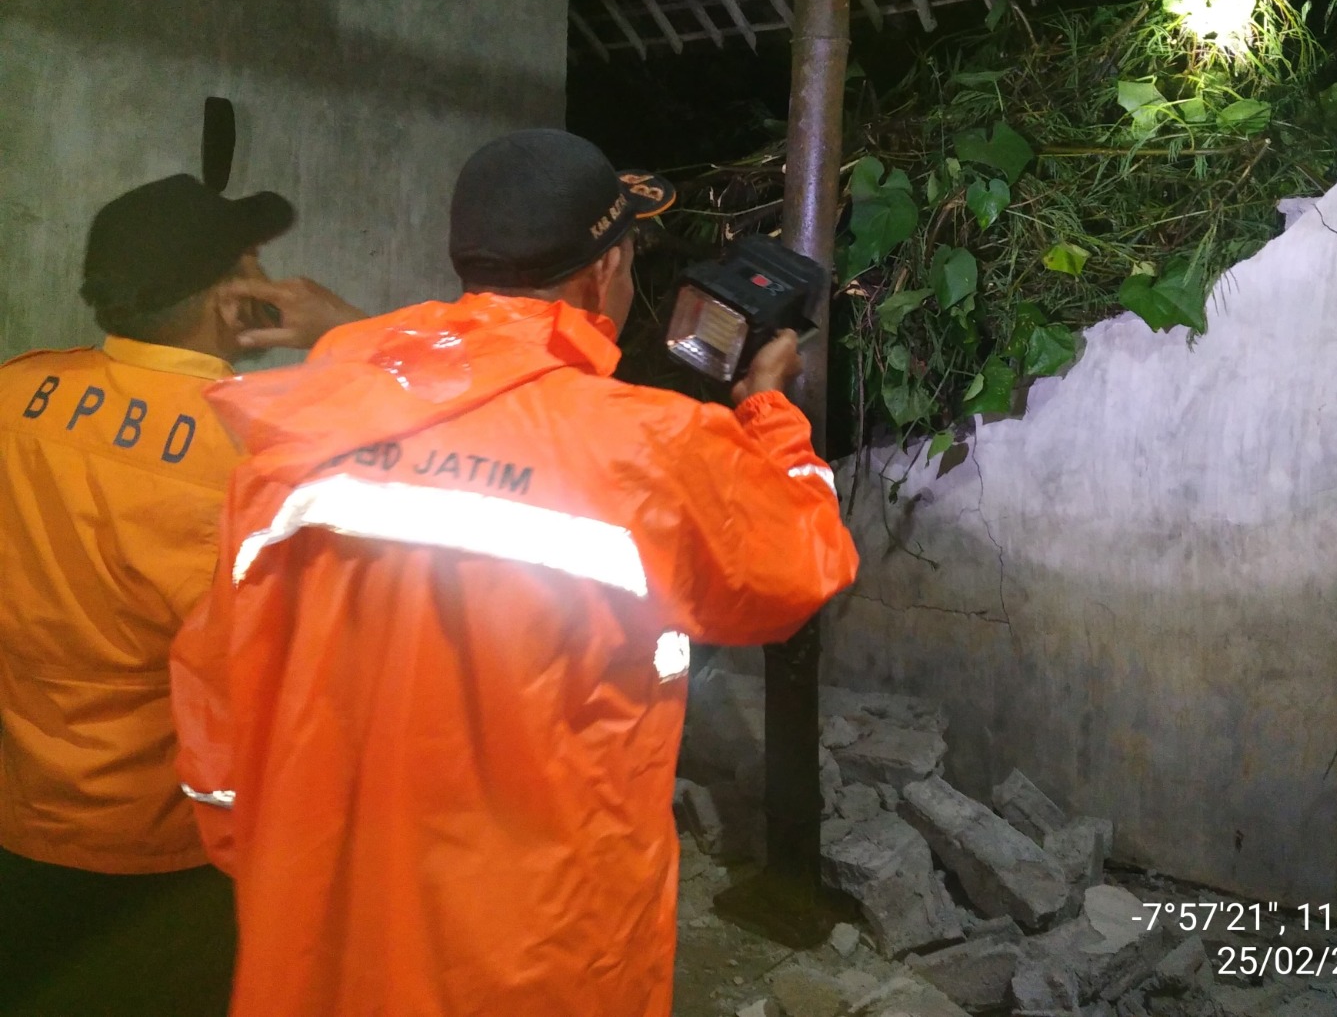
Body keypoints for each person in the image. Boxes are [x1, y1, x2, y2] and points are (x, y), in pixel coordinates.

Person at [170, 128, 860, 1017]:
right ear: (604, 273)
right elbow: (799, 566)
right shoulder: (650, 446)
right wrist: (769, 407)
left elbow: (219, 680)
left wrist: (271, 866)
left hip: (327, 933)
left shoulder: (305, 420)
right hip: (539, 953)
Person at [0, 173, 363, 1016]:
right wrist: (351, 334)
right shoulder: (252, 454)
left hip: (23, 821)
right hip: (168, 854)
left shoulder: (15, 393)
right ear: (233, 295)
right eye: (256, 264)